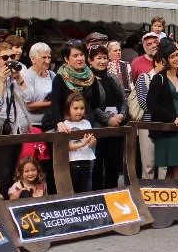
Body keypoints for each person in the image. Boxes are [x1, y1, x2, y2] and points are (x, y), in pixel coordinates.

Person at [0, 41, 37, 194]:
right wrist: (1, 81)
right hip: (1, 132)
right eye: (5, 57)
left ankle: (14, 200)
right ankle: (2, 204)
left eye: (12, 56)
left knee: (17, 172)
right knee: (3, 174)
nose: (9, 60)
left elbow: (30, 97)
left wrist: (19, 79)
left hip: (19, 130)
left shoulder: (18, 75)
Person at [147, 41, 178, 180]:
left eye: (177, 55)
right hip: (167, 128)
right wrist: (173, 118)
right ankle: (171, 192)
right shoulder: (159, 78)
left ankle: (168, 192)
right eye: (172, 56)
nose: (177, 59)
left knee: (177, 167)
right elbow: (152, 104)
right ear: (165, 60)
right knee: (177, 166)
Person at [88, 45, 127, 190]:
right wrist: (107, 119)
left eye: (105, 58)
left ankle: (113, 193)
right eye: (99, 58)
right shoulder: (88, 79)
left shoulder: (112, 77)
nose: (102, 61)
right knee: (98, 166)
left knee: (114, 164)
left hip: (116, 126)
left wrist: (122, 115)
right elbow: (91, 105)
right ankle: (98, 196)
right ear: (90, 60)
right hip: (98, 128)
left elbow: (123, 99)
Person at [134, 52, 161, 180]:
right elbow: (144, 103)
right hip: (147, 124)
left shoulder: (169, 79)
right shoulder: (144, 78)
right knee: (148, 165)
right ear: (156, 62)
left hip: (165, 125)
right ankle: (147, 190)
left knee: (164, 165)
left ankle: (164, 190)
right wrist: (165, 111)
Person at [63, 93, 97, 192]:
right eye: (75, 108)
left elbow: (92, 142)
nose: (79, 111)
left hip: (86, 161)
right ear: (68, 109)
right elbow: (66, 146)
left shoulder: (87, 123)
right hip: (72, 162)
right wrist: (83, 143)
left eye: (82, 108)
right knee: (74, 189)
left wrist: (92, 142)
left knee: (85, 188)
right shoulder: (65, 124)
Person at [23, 43, 54, 130]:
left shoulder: (52, 75)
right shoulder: (27, 76)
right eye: (44, 57)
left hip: (51, 122)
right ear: (33, 59)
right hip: (34, 125)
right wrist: (51, 103)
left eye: (49, 57)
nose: (47, 61)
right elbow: (29, 106)